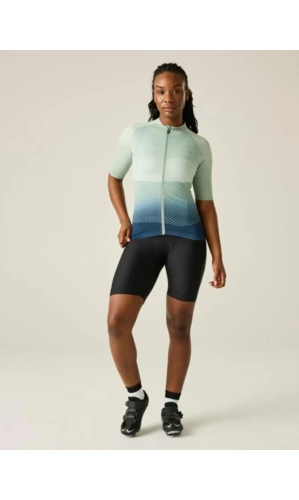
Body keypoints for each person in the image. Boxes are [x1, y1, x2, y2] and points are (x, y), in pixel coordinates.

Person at [107, 62, 226, 437]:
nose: (168, 97)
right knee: (116, 322)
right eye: (161, 91)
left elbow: (206, 204)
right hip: (143, 238)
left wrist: (218, 255)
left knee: (179, 325)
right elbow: (113, 177)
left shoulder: (199, 146)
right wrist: (124, 220)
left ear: (186, 94)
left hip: (187, 241)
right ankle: (136, 397)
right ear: (153, 95)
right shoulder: (136, 134)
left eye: (175, 90)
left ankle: (172, 405)